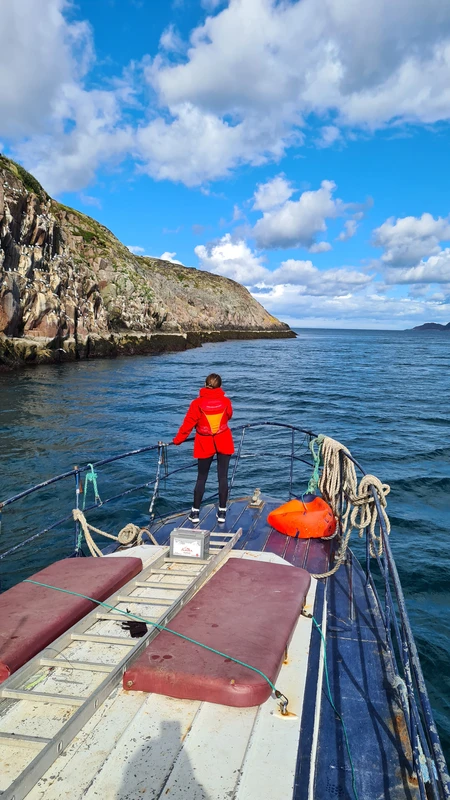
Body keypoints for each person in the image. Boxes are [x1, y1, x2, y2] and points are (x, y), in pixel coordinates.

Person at [172, 373, 234, 524]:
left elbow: (187, 425)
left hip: (204, 443)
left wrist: (177, 441)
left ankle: (195, 513)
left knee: (201, 478)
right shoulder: (226, 401)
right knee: (223, 477)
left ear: (205, 384)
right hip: (224, 440)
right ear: (220, 386)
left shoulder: (196, 404)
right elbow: (229, 415)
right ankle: (222, 512)